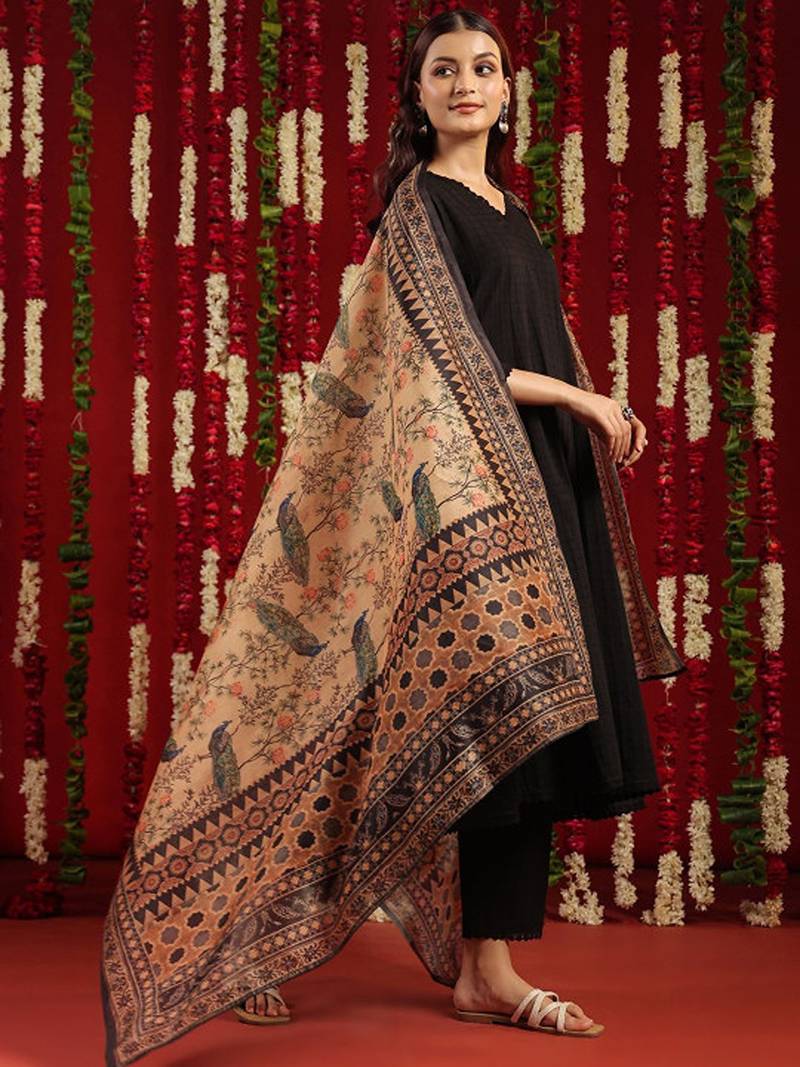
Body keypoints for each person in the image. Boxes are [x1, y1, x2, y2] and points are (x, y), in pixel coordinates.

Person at [101, 9, 685, 1064]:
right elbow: (445, 364)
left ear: (506, 92)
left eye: (484, 68)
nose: (466, 84)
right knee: (373, 726)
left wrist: (590, 407)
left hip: (540, 492)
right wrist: (582, 399)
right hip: (460, 513)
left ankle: (486, 969)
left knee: (523, 728)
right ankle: (251, 936)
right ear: (416, 96)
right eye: (443, 70)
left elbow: (525, 337)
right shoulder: (422, 211)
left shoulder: (512, 213)